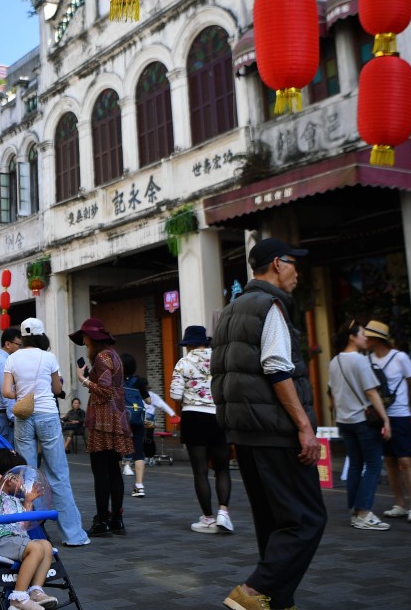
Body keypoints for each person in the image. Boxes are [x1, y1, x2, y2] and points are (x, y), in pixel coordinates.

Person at [211, 237, 326, 610]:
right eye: (294, 263)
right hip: (275, 430)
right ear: (277, 263)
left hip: (244, 432)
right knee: (306, 518)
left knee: (274, 520)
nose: (298, 272)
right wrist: (304, 426)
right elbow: (277, 368)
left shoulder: (231, 309)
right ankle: (254, 591)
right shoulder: (270, 305)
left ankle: (277, 599)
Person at [3, 317, 89, 547]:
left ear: (22, 336)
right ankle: (73, 535)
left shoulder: (12, 358)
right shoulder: (48, 357)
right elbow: (57, 389)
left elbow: (6, 391)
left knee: (27, 475)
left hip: (23, 416)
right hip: (48, 415)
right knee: (58, 474)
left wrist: (23, 395)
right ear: (41, 335)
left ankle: (31, 534)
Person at [0, 448, 58, 610]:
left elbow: (22, 526)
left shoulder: (14, 500)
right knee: (36, 549)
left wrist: (28, 503)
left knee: (45, 546)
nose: (22, 481)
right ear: (10, 479)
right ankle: (18, 598)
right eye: (20, 477)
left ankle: (35, 591)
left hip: (16, 540)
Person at [70, 317, 132, 537]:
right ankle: (117, 519)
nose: (84, 341)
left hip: (102, 420)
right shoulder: (113, 355)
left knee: (101, 472)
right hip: (116, 418)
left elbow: (104, 391)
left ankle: (102, 521)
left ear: (92, 338)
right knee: (114, 471)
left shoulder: (102, 357)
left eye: (85, 337)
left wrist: (82, 379)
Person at [170, 325, 234, 534]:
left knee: (200, 471)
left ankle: (207, 519)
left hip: (193, 417)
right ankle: (223, 513)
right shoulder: (221, 359)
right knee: (222, 468)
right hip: (219, 415)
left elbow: (176, 395)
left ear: (188, 345)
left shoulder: (183, 362)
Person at [328, 321, 392, 530]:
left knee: (355, 464)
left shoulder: (334, 361)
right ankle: (364, 512)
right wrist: (385, 419)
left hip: (344, 420)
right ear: (352, 337)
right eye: (363, 334)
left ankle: (356, 512)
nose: (366, 337)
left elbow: (331, 394)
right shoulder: (360, 361)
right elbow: (371, 392)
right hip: (363, 421)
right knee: (373, 465)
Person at [364, 320, 411, 523]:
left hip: (400, 415)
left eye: (368, 336)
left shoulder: (400, 357)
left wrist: (408, 406)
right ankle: (399, 504)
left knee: (405, 460)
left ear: (376, 339)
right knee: (389, 460)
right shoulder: (368, 359)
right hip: (380, 417)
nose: (365, 339)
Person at [120, 352, 177, 500]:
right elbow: (149, 401)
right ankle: (139, 486)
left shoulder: (116, 381)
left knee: (119, 448)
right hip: (139, 419)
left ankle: (122, 472)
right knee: (139, 449)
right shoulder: (138, 382)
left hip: (121, 420)